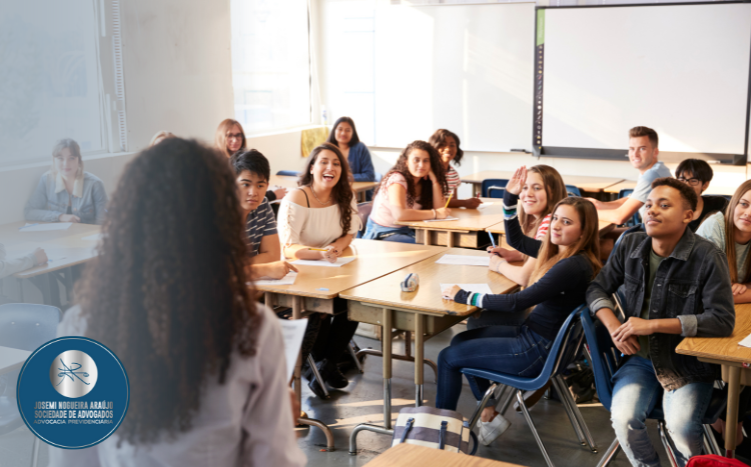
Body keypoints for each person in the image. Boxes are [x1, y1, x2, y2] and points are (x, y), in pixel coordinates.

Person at [49, 138, 305, 467]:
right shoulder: (253, 329)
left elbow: (71, 458)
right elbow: (273, 461)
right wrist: (281, 422)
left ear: (128, 224)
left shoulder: (79, 327)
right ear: (222, 222)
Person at [587, 177, 734, 467]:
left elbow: (722, 320)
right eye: (650, 204)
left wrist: (653, 325)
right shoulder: (630, 242)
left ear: (688, 215)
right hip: (639, 360)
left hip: (686, 363)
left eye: (664, 206)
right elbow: (596, 288)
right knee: (624, 419)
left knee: (681, 428)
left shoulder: (707, 256)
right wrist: (615, 327)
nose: (652, 210)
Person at [437, 196, 602, 446]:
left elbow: (518, 302)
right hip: (538, 342)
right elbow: (517, 241)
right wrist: (510, 201)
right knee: (460, 339)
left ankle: (439, 437)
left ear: (583, 232)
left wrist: (466, 296)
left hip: (534, 351)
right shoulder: (569, 256)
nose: (556, 226)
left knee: (448, 357)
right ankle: (489, 413)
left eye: (566, 222)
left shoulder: (571, 266)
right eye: (555, 218)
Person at [277, 142, 361, 398]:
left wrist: (335, 246)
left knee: (353, 303)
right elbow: (289, 248)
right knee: (321, 310)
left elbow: (350, 231)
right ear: (312, 168)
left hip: (331, 267)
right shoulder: (297, 198)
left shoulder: (345, 196)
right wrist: (320, 254)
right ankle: (324, 367)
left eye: (336, 163)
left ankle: (325, 366)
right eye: (324, 162)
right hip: (298, 272)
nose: (330, 167)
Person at [362, 140, 450, 243]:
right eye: (416, 160)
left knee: (440, 242)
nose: (421, 165)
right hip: (383, 232)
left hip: (407, 230)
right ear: (406, 162)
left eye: (426, 161)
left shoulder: (425, 183)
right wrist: (435, 214)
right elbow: (400, 215)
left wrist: (435, 181)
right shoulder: (397, 179)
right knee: (426, 247)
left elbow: (441, 210)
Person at [230, 149, 298, 280]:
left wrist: (238, 269)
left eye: (260, 186)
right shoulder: (216, 213)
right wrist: (264, 269)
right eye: (245, 184)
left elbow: (273, 255)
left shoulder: (262, 204)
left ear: (267, 186)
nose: (253, 192)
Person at [25, 139, 108, 225]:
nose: (66, 164)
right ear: (54, 160)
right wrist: (60, 216)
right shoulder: (46, 180)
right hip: (58, 236)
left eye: (71, 158)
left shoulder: (95, 184)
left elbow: (102, 223)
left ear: (79, 160)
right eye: (60, 158)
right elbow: (29, 211)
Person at [214, 118, 286, 202]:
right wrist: (273, 195)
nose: (235, 140)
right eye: (230, 135)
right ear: (221, 137)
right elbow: (236, 198)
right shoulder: (216, 164)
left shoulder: (246, 159)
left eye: (238, 135)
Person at [428, 129, 481, 209]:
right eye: (442, 144)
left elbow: (453, 201)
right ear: (434, 147)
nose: (448, 149)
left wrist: (465, 203)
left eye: (452, 145)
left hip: (447, 216)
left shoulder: (454, 173)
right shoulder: (428, 172)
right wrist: (464, 203)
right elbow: (431, 200)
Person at [675, 158, 728, 232]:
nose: (686, 184)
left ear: (705, 185)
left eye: (693, 181)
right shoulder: (670, 208)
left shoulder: (719, 205)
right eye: (681, 180)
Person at [327, 116, 375, 182]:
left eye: (347, 130)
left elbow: (370, 175)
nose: (343, 133)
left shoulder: (360, 148)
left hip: (357, 190)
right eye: (340, 129)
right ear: (334, 131)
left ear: (353, 133)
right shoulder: (327, 149)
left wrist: (345, 178)